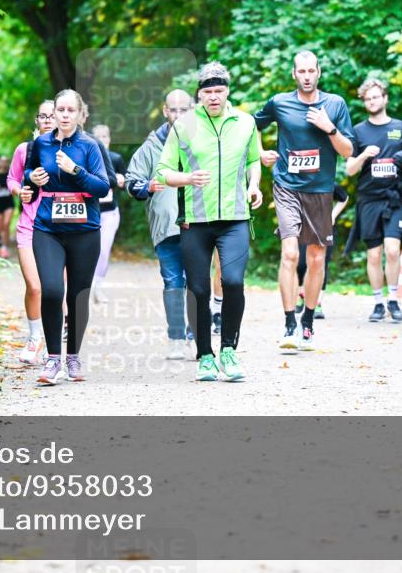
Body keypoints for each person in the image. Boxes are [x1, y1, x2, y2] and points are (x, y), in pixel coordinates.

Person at [156, 62, 262, 382]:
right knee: (199, 289)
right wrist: (187, 178)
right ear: (199, 94)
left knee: (232, 281)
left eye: (219, 91)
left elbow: (255, 159)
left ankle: (228, 350)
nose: (214, 97)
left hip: (235, 219)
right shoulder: (183, 126)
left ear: (227, 90)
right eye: (207, 92)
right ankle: (205, 355)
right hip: (196, 221)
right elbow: (163, 172)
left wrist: (254, 184)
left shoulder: (245, 122)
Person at [254, 50, 354, 351]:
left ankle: (307, 323)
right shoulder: (280, 103)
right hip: (287, 187)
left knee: (316, 257)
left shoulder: (335, 104)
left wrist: (329, 128)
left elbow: (348, 151)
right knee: (289, 254)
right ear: (294, 74)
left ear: (319, 72)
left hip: (321, 189)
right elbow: (251, 127)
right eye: (302, 72)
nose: (307, 76)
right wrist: (260, 154)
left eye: (312, 71)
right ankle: (288, 325)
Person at [24, 89, 110, 385]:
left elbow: (102, 187)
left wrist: (75, 170)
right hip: (48, 227)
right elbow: (30, 176)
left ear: (79, 114)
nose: (63, 115)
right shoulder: (40, 144)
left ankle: (72, 356)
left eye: (70, 110)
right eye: (59, 110)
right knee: (50, 290)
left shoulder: (90, 146)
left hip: (85, 231)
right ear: (54, 113)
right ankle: (52, 359)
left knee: (77, 296)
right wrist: (30, 181)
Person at [125, 89, 195, 359]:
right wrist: (147, 186)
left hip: (198, 223)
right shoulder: (151, 146)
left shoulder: (201, 142)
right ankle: (177, 337)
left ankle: (196, 335)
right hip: (166, 226)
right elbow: (132, 181)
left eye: (183, 110)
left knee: (196, 281)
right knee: (173, 280)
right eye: (173, 110)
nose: (178, 115)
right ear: (165, 111)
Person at [344, 78, 402, 323]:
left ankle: (394, 300)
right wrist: (364, 154)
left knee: (392, 250)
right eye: (367, 99)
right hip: (369, 200)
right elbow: (350, 170)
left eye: (376, 97)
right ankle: (378, 302)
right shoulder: (358, 131)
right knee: (374, 255)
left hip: (395, 199)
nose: (372, 101)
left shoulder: (400, 126)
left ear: (385, 98)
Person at [8, 100, 55, 365]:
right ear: (36, 121)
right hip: (29, 225)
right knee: (35, 286)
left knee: (55, 289)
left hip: (58, 228)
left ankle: (54, 343)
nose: (47, 120)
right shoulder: (24, 150)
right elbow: (12, 179)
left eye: (52, 116)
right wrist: (20, 191)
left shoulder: (67, 150)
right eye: (42, 116)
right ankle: (34, 337)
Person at [294, 184, 349, 319]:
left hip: (325, 228)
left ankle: (317, 303)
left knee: (320, 264)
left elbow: (344, 197)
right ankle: (302, 294)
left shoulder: (327, 182)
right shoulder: (299, 183)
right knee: (301, 265)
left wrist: (333, 215)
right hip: (305, 228)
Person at [90, 124, 126, 304]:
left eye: (105, 136)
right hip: (89, 213)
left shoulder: (116, 158)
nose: (102, 140)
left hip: (110, 212)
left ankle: (98, 287)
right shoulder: (88, 158)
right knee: (86, 251)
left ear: (109, 139)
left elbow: (128, 183)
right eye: (98, 137)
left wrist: (122, 180)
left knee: (103, 251)